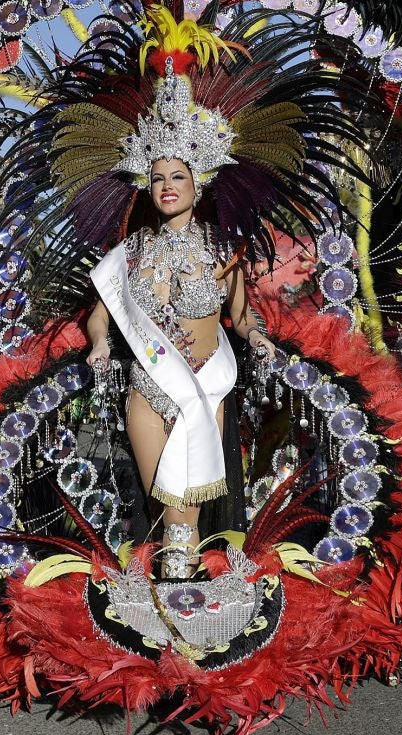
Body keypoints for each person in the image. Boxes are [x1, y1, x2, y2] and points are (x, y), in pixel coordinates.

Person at [81, 71, 275, 580]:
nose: (167, 188)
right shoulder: (131, 252)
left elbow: (239, 314)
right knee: (163, 514)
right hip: (148, 393)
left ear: (199, 181)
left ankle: (181, 612)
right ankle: (177, 617)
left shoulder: (222, 248)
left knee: (181, 530)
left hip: (204, 393)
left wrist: (256, 338)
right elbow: (100, 315)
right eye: (158, 178)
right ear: (146, 184)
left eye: (178, 177)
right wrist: (99, 345)